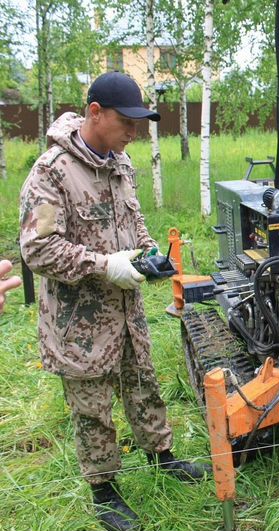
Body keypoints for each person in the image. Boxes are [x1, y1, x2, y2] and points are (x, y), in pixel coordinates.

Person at [19, 72, 209, 531]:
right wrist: (105, 266)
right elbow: (37, 249)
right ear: (95, 113)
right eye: (126, 122)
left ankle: (162, 456)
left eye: (138, 124)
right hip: (80, 323)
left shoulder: (121, 165)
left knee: (143, 384)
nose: (133, 133)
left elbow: (135, 222)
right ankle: (104, 489)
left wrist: (148, 256)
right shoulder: (52, 171)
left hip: (126, 311)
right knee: (92, 407)